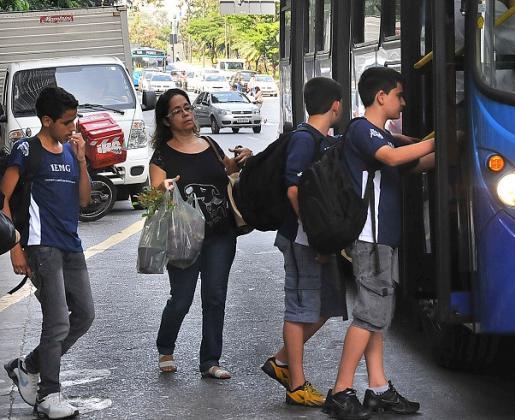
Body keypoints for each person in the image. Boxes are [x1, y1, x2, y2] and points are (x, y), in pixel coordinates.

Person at [323, 67, 435, 420]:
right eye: (399, 95)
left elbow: (411, 163)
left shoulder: (382, 136)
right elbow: (392, 158)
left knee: (377, 317)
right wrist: (438, 139)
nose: (403, 102)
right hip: (368, 239)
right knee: (370, 315)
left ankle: (379, 388)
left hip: (380, 239)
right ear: (381, 97)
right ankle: (340, 391)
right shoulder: (363, 130)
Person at [2, 86, 95, 419]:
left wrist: (82, 161)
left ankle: (28, 365)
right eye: (68, 122)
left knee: (84, 315)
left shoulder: (71, 152)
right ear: (47, 120)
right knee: (57, 322)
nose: (74, 128)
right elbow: (3, 201)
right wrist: (15, 248)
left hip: (71, 245)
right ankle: (48, 396)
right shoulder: (26, 151)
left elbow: (84, 200)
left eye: (75, 120)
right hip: (41, 246)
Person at [148, 88, 253, 379]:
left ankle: (210, 361)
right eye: (178, 111)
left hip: (220, 234)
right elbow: (156, 187)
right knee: (181, 298)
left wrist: (244, 158)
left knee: (215, 297)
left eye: (188, 108)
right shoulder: (163, 155)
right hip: (183, 237)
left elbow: (229, 171)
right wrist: (165, 187)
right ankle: (166, 348)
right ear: (167, 120)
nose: (186, 114)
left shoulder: (210, 144)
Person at [261, 77, 348, 407]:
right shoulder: (303, 139)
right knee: (299, 310)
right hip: (301, 239)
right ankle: (296, 385)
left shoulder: (321, 138)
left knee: (326, 305)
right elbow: (294, 189)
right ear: (336, 105)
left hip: (308, 238)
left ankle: (282, 362)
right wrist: (315, 237)